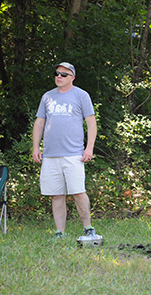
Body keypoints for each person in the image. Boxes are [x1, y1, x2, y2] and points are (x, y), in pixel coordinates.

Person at [32, 62, 98, 238]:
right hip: (50, 155)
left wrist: (89, 148)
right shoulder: (47, 97)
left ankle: (88, 228)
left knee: (78, 192)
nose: (59, 76)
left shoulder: (81, 95)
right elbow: (39, 122)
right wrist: (35, 148)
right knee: (56, 195)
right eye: (57, 73)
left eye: (64, 74)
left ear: (72, 78)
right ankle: (59, 232)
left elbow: (91, 122)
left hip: (74, 154)